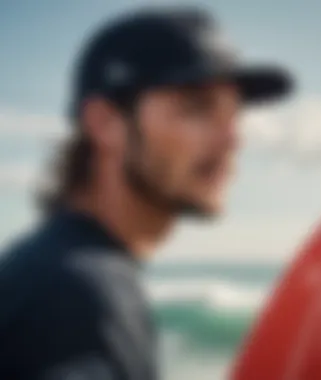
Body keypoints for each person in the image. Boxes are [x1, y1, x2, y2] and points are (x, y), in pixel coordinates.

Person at [0, 6, 293, 380]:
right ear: (105, 124)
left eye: (233, 115)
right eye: (197, 108)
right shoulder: (77, 295)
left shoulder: (55, 265)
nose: (232, 139)